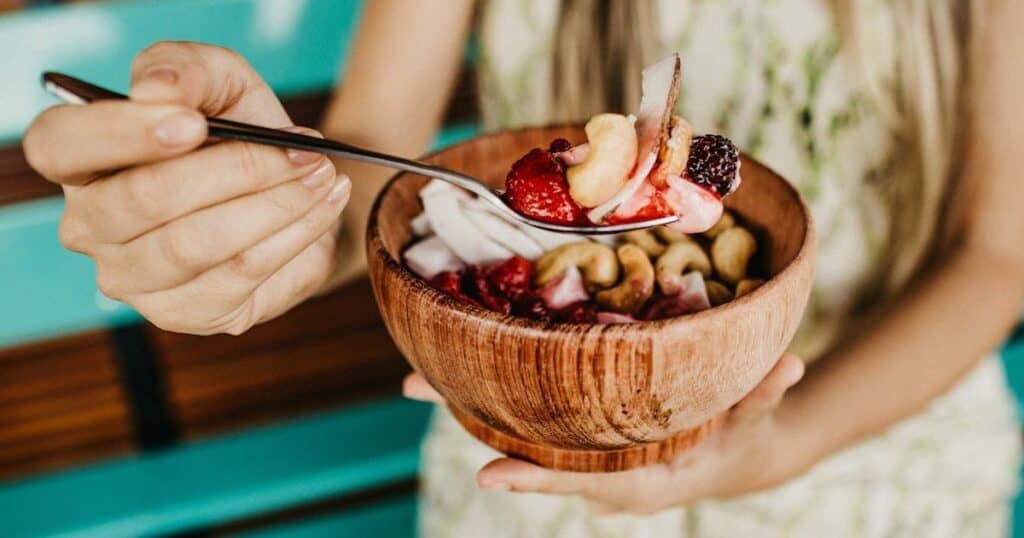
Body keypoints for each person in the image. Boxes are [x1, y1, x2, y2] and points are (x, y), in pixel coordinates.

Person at [21, 0, 1024, 536]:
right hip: (534, 444)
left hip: (868, 450)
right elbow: (374, 172)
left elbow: (999, 255)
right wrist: (270, 215)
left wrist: (772, 447)